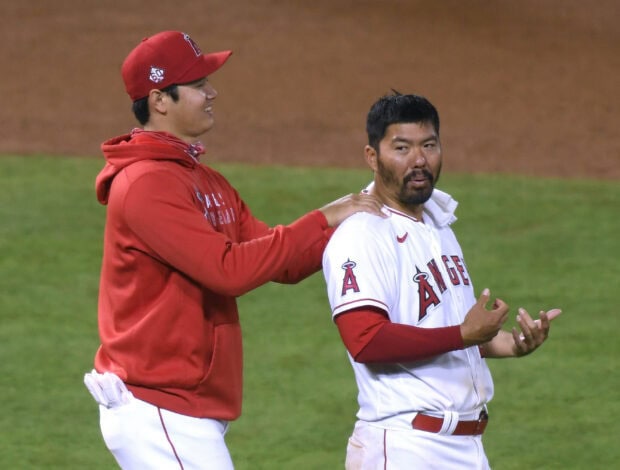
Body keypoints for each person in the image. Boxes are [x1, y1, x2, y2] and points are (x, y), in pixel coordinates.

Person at [83, 30, 386, 470]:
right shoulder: (146, 184)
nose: (212, 92)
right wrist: (324, 217)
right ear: (159, 100)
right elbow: (228, 271)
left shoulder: (206, 182)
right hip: (159, 409)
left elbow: (282, 260)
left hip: (184, 408)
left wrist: (361, 215)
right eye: (197, 84)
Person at [321, 92, 562, 469]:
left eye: (428, 145)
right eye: (402, 148)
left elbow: (445, 332)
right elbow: (364, 339)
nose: (419, 160)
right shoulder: (361, 234)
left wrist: (512, 344)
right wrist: (464, 334)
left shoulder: (437, 224)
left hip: (465, 446)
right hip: (406, 447)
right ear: (373, 156)